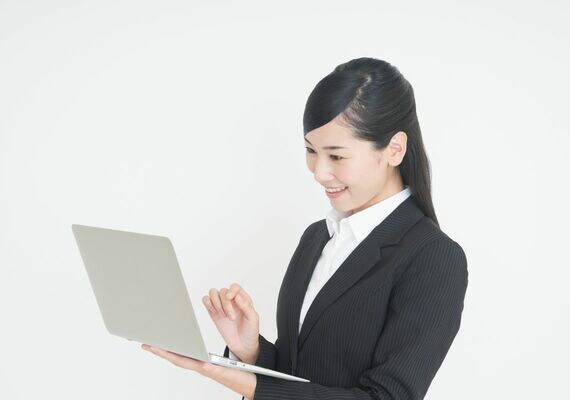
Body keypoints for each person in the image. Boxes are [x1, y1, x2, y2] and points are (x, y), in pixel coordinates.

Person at [142, 57, 469, 400]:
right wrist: (251, 352)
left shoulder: (434, 258)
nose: (319, 172)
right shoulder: (318, 236)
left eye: (336, 156)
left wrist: (238, 380)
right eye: (311, 151)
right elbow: (301, 373)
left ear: (394, 150)